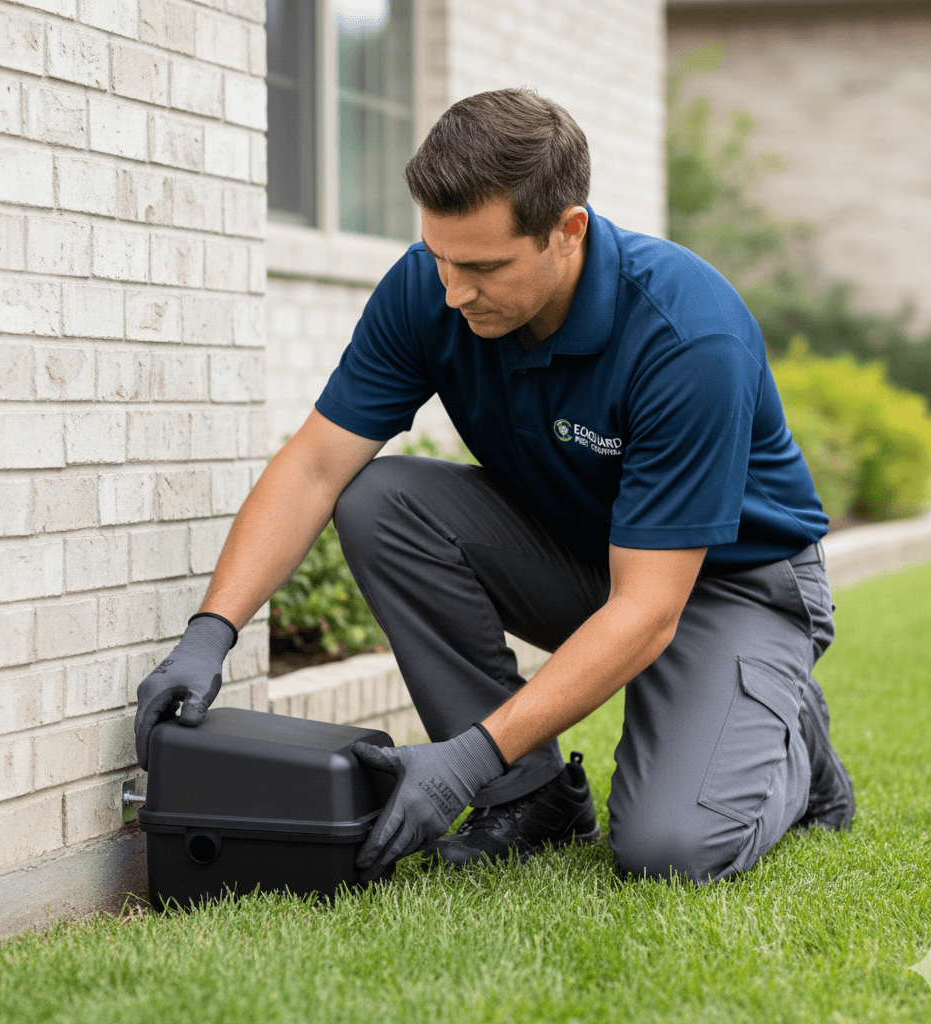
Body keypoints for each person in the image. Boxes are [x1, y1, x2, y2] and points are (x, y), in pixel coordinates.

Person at [134, 88, 854, 887]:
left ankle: (790, 735)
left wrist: (465, 758)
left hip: (732, 586)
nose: (451, 290)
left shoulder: (687, 337)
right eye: (439, 256)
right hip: (587, 557)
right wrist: (211, 631)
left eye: (481, 265)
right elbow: (313, 466)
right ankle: (531, 796)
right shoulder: (429, 292)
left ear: (567, 231)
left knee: (668, 852)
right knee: (381, 499)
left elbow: (648, 609)